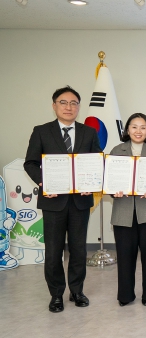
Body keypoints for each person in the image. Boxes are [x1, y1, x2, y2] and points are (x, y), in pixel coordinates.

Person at [24, 86, 102, 313]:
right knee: (53, 251)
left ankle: (77, 291)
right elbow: (30, 163)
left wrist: (91, 184)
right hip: (52, 201)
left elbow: (96, 161)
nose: (69, 107)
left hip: (80, 201)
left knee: (78, 250)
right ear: (54, 106)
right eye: (63, 102)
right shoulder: (41, 131)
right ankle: (56, 294)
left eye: (74, 103)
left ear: (79, 106)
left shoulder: (89, 132)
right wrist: (44, 183)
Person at [109, 113, 146, 307]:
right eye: (134, 127)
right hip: (123, 209)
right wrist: (113, 191)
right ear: (127, 130)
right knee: (124, 255)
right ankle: (125, 295)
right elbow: (109, 179)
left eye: (143, 127)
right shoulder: (117, 150)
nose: (138, 131)